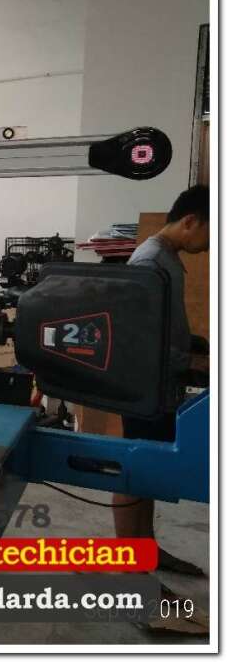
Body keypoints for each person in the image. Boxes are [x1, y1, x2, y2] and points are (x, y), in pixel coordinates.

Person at [113, 184, 209, 575]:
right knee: (134, 470)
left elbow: (161, 322)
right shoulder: (149, 261)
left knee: (149, 469)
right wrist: (189, 359)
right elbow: (135, 335)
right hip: (143, 385)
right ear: (191, 221)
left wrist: (192, 342)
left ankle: (147, 548)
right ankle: (130, 566)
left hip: (160, 383)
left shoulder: (166, 257)